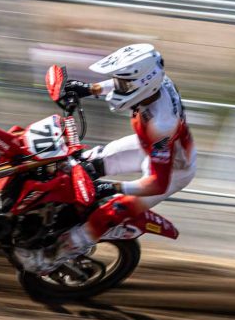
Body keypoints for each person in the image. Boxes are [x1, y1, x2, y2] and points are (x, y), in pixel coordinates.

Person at [13, 44, 197, 273]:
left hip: (173, 172)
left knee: (113, 210)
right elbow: (126, 83)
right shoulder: (157, 82)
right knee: (82, 165)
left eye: (123, 82)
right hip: (147, 146)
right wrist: (90, 89)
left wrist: (111, 187)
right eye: (119, 80)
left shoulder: (162, 124)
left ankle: (51, 258)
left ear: (144, 82)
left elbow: (156, 184)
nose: (118, 85)